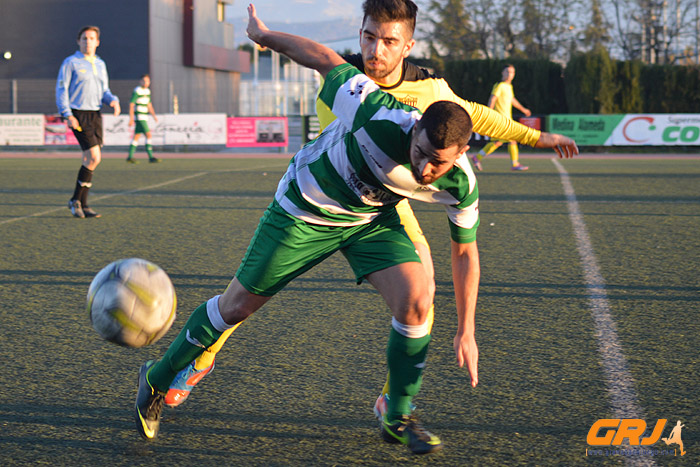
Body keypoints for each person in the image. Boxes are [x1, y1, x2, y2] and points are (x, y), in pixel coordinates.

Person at [134, 3, 578, 454]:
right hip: (308, 206)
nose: (425, 168)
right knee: (237, 306)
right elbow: (324, 57)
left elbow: (465, 252)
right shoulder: (374, 108)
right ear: (414, 130)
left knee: (418, 298)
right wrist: (263, 36)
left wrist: (467, 329)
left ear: (462, 153)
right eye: (420, 153)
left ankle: (396, 414)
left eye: (438, 161)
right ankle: (158, 377)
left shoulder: (458, 175)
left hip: (372, 219)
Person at [56, 25, 120, 218]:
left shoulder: (100, 64)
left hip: (95, 114)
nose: (88, 41)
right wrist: (67, 114)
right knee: (94, 157)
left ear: (97, 42)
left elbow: (105, 91)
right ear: (78, 41)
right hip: (78, 113)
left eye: (92, 38)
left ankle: (81, 203)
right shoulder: (71, 62)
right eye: (84, 38)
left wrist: (113, 100)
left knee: (90, 160)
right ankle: (76, 200)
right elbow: (61, 89)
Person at [472, 64, 531, 171]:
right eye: (507, 72)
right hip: (500, 119)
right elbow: (492, 99)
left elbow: (512, 100)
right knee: (512, 139)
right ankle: (515, 164)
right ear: (502, 73)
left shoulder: (509, 87)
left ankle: (477, 157)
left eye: (512, 72)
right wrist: (489, 114)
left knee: (497, 142)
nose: (510, 74)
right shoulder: (499, 85)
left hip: (507, 119)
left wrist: (524, 110)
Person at [126, 74, 160, 163]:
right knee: (149, 135)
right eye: (144, 81)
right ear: (140, 81)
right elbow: (131, 104)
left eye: (147, 81)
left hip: (145, 117)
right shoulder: (137, 91)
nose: (146, 83)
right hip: (140, 117)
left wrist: (154, 116)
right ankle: (151, 157)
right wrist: (131, 118)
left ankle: (130, 157)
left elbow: (149, 105)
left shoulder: (147, 91)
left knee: (136, 136)